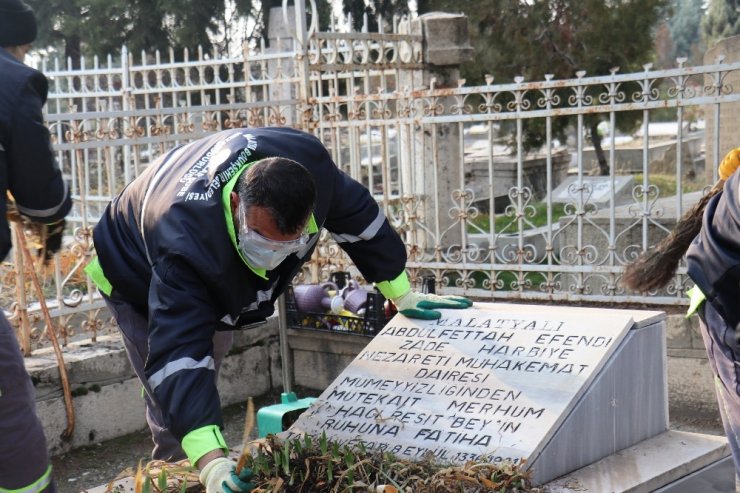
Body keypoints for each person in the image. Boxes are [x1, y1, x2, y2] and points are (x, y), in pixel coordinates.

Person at [85, 126, 472, 492]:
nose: (273, 257)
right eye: (263, 240)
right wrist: (213, 464)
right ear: (237, 204)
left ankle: (200, 450)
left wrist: (401, 294)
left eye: (288, 246)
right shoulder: (184, 247)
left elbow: (363, 225)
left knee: (210, 356)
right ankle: (182, 471)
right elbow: (178, 355)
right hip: (130, 266)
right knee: (171, 384)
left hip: (211, 254)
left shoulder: (314, 170)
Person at [0, 0, 73, 491]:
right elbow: (41, 195)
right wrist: (50, 229)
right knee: (7, 403)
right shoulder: (11, 82)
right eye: (24, 49)